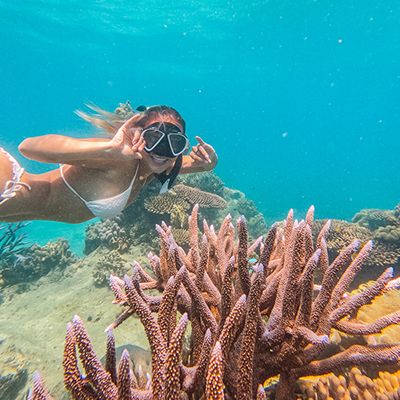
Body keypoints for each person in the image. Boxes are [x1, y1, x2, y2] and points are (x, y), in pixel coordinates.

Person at [0, 104, 218, 223]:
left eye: (175, 143)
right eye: (153, 139)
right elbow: (28, 147)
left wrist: (209, 161)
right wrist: (109, 149)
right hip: (8, 185)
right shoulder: (115, 159)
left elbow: (194, 164)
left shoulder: (154, 165)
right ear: (137, 135)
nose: (162, 151)